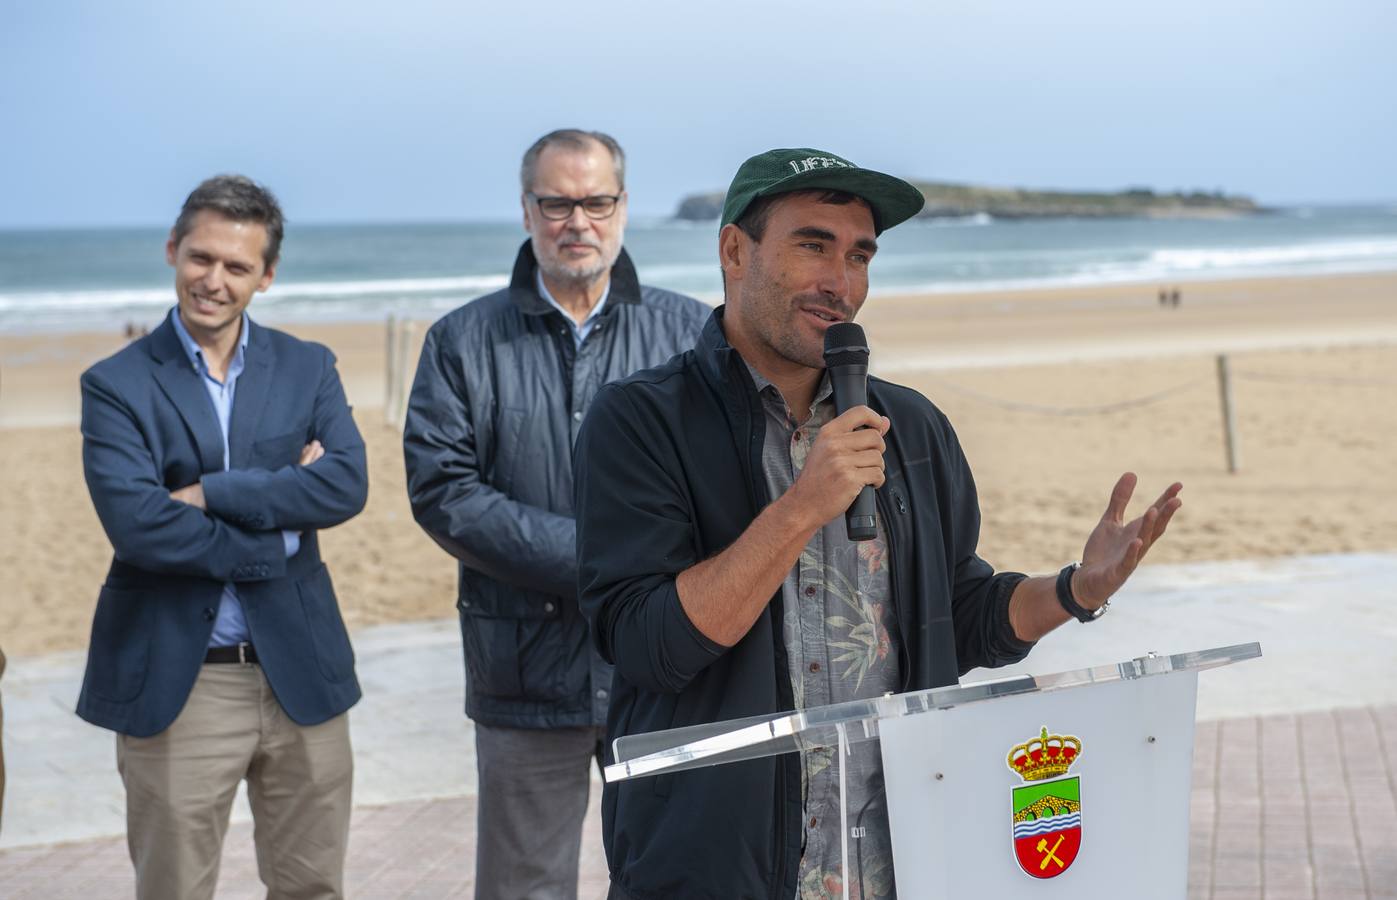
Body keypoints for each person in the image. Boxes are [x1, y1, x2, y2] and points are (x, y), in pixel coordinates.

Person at [574, 148, 1183, 899]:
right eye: (811, 245)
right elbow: (647, 646)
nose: (840, 282)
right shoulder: (640, 421)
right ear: (734, 249)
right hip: (714, 869)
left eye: (859, 255)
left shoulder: (912, 427)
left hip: (904, 860)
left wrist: (1074, 591)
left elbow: (954, 620)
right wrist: (801, 507)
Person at [402, 129, 709, 899]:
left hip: (665, 663)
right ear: (527, 209)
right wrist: (601, 561)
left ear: (624, 207)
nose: (579, 221)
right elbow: (443, 491)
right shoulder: (462, 341)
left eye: (596, 201)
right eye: (557, 202)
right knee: (523, 886)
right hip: (524, 671)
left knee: (675, 876)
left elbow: (725, 484)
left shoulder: (691, 333)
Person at [77, 175, 368, 900]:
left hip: (301, 674)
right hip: (182, 683)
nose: (213, 280)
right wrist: (281, 533)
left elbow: (343, 487)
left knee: (313, 889)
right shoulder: (115, 384)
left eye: (237, 267)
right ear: (173, 250)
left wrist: (212, 492)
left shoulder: (309, 368)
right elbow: (139, 525)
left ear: (266, 277)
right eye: (200, 258)